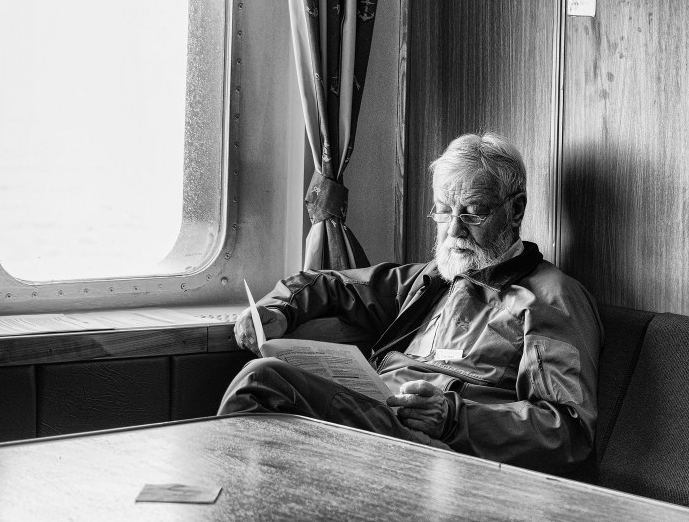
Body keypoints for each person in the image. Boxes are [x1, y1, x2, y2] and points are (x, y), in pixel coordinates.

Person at [218, 132, 602, 477]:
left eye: (472, 211)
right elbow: (332, 285)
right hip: (375, 419)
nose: (454, 229)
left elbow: (567, 432)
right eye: (443, 210)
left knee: (264, 380)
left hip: (441, 453)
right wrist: (278, 310)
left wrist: (453, 416)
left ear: (515, 210)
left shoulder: (551, 299)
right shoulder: (434, 279)